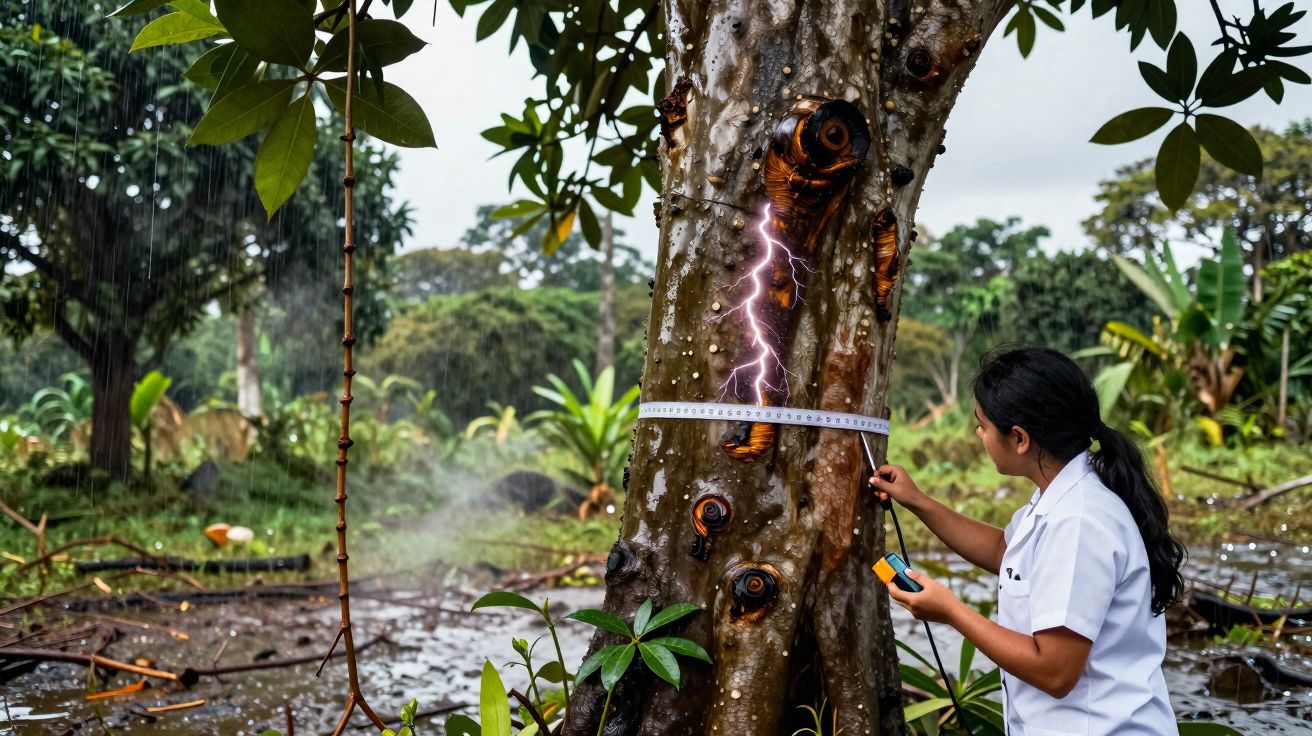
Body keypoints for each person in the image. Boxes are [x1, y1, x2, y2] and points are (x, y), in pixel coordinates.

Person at [869, 346, 1185, 736]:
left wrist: (952, 610)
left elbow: (1054, 672)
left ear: (1019, 438)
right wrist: (918, 502)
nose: (979, 434)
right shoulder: (1062, 492)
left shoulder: (1079, 522)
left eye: (982, 425)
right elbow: (1006, 551)